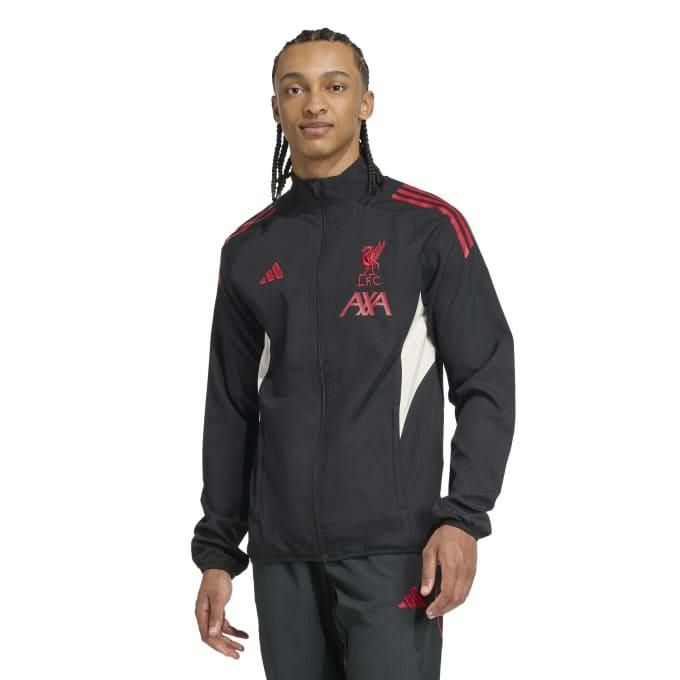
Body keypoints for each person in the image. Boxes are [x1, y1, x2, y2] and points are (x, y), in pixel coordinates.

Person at [191, 28, 515, 680]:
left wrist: (463, 517)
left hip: (395, 551)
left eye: (334, 86)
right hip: (283, 559)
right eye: (295, 89)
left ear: (365, 102)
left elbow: (486, 379)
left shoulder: (427, 228)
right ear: (276, 107)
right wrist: (219, 553)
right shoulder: (248, 250)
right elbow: (231, 409)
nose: (314, 103)